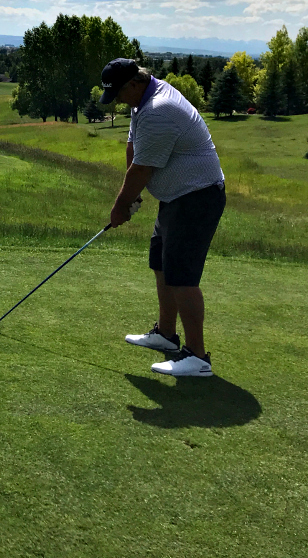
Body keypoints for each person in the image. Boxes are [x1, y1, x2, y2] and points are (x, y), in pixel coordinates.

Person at [100, 58, 226, 377]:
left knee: (182, 276)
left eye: (119, 93)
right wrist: (132, 197)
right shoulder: (142, 101)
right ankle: (167, 335)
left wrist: (120, 207)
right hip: (175, 197)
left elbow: (143, 169)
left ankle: (197, 357)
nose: (118, 101)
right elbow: (134, 148)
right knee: (161, 263)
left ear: (134, 83)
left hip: (196, 197)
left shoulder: (159, 109)